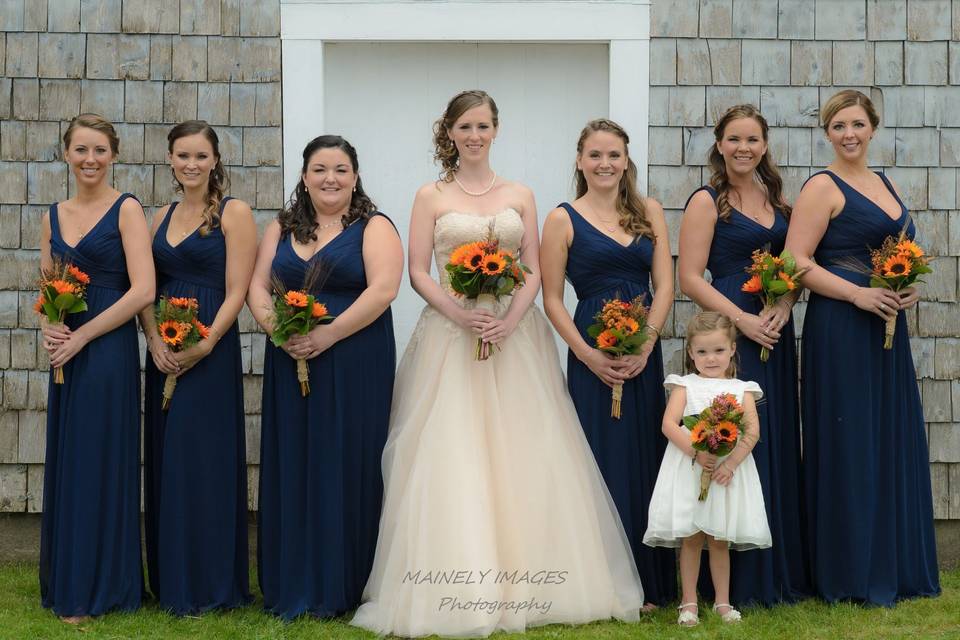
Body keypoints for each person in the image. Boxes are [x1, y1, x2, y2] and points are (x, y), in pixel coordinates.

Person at [352, 90, 643, 638]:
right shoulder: (430, 195)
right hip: (450, 334)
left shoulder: (521, 194)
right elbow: (418, 272)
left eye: (483, 125)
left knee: (525, 448)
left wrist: (508, 319)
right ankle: (455, 582)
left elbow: (533, 269)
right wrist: (462, 316)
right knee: (451, 447)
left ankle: (538, 580)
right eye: (465, 126)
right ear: (451, 132)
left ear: (495, 130)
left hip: (516, 336)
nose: (475, 135)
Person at [784, 89, 940, 605]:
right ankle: (849, 572)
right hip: (841, 328)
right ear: (827, 133)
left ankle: (892, 564)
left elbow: (899, 252)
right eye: (837, 126)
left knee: (887, 437)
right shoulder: (821, 188)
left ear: (872, 127)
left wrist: (906, 287)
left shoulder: (884, 183)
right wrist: (857, 294)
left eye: (856, 124)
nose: (848, 134)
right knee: (850, 443)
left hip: (887, 329)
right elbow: (795, 262)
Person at [247, 134, 402, 619]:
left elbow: (383, 291)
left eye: (339, 169)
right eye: (319, 169)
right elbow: (257, 285)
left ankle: (346, 581)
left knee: (347, 460)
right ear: (304, 176)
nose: (329, 178)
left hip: (354, 358)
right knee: (294, 458)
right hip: (289, 357)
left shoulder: (373, 226)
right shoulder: (281, 226)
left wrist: (328, 336)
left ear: (355, 177)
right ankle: (291, 580)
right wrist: (280, 331)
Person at [677, 104, 811, 605]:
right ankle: (732, 582)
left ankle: (780, 570)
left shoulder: (780, 202)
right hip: (732, 336)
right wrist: (742, 319)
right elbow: (690, 277)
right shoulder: (707, 201)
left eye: (752, 140)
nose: (743, 148)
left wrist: (783, 302)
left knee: (771, 434)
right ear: (719, 144)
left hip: (776, 328)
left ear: (765, 145)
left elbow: (794, 267)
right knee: (733, 433)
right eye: (733, 139)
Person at [540, 118, 677, 608]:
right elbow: (552, 298)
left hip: (644, 347)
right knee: (596, 458)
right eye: (595, 155)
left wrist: (648, 343)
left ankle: (651, 583)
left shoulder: (650, 212)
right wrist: (588, 353)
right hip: (592, 350)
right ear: (579, 161)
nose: (605, 164)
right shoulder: (561, 219)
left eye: (614, 155)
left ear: (627, 160)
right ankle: (598, 581)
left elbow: (666, 285)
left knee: (645, 453)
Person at [39, 114, 155, 622]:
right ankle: (70, 575)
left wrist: (84, 334)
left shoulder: (126, 209)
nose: (90, 159)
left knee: (99, 457)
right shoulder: (51, 215)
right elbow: (47, 290)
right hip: (65, 351)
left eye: (100, 151)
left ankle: (101, 584)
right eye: (81, 150)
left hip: (106, 350)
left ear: (113, 155)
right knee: (71, 458)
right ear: (66, 153)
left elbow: (144, 290)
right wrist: (49, 325)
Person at [139, 120, 256, 614]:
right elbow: (144, 287)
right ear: (170, 159)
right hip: (164, 344)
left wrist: (206, 343)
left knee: (203, 458)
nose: (191, 164)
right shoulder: (157, 216)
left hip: (211, 347)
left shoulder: (234, 213)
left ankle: (210, 582)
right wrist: (152, 339)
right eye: (182, 156)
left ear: (215, 160)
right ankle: (171, 579)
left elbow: (238, 290)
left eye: (200, 156)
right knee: (168, 457)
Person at [644, 311, 771, 626]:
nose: (710, 358)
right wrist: (695, 452)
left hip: (725, 474)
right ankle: (688, 602)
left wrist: (731, 463)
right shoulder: (683, 385)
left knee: (719, 539)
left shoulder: (743, 388)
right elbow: (669, 424)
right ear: (691, 353)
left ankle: (723, 602)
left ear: (731, 350)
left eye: (718, 350)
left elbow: (752, 432)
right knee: (691, 537)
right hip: (689, 470)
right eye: (702, 351)